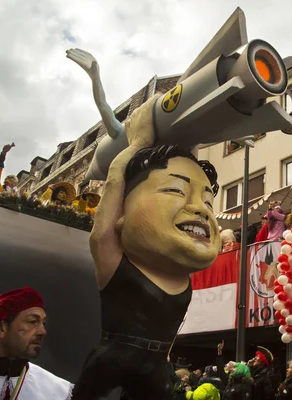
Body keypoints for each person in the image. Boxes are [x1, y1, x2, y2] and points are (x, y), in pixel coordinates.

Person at [67, 48, 221, 400]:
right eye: (173, 190)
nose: (201, 210)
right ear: (122, 211)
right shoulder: (112, 257)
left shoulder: (182, 265)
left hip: (157, 369)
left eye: (209, 201)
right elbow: (105, 215)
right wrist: (133, 145)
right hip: (110, 361)